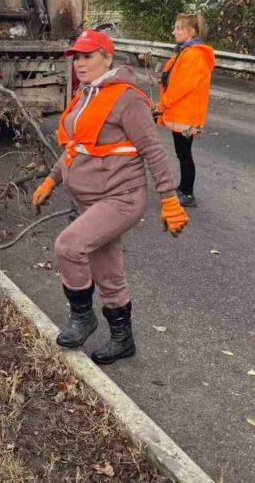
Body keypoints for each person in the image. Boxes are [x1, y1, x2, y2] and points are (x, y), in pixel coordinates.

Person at [32, 29, 188, 365]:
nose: (80, 63)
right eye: (77, 57)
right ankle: (123, 339)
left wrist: (170, 199)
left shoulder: (126, 98)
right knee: (108, 271)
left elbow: (153, 151)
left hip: (121, 198)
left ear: (108, 57)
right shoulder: (86, 95)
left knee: (68, 246)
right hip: (90, 200)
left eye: (88, 56)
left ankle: (83, 318)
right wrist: (51, 179)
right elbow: (78, 147)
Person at [154, 12, 215, 208]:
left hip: (186, 115)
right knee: (183, 153)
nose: (174, 32)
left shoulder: (193, 54)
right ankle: (184, 188)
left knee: (185, 154)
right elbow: (174, 80)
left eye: (178, 28)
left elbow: (180, 86)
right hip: (183, 113)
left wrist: (162, 104)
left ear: (191, 31)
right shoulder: (187, 52)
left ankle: (188, 193)